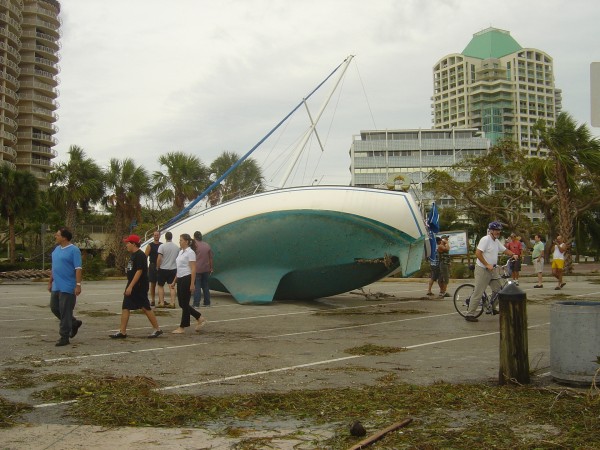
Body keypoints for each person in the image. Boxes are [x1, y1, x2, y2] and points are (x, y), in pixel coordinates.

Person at [110, 235, 163, 339]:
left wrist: (130, 286)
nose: (126, 245)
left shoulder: (140, 255)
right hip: (132, 284)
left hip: (139, 286)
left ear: (134, 244)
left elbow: (139, 271)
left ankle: (157, 329)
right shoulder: (132, 255)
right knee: (125, 306)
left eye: (128, 243)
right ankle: (123, 331)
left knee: (145, 307)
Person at [465, 221, 517, 322]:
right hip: (482, 269)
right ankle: (470, 314)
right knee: (478, 292)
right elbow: (478, 253)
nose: (498, 232)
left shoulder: (496, 241)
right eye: (496, 230)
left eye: (499, 230)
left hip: (493, 270)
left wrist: (513, 254)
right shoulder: (485, 239)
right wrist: (486, 264)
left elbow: (504, 250)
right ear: (491, 231)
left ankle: (491, 307)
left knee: (500, 289)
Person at [48, 227, 83, 347]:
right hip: (56, 285)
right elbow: (54, 267)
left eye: (57, 235)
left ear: (64, 237)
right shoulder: (56, 249)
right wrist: (50, 281)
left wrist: (78, 285)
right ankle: (73, 322)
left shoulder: (74, 250)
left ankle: (64, 336)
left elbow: (78, 269)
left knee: (65, 311)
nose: (55, 236)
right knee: (54, 307)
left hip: (68, 286)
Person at [171, 233, 206, 334]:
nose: (179, 242)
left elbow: (193, 268)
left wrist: (192, 283)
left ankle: (182, 326)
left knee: (185, 303)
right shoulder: (181, 252)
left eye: (181, 240)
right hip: (181, 278)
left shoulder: (190, 253)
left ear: (186, 241)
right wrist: (174, 281)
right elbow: (179, 268)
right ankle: (199, 317)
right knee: (182, 303)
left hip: (187, 277)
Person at [156, 231, 178, 308]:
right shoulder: (176, 247)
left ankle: (161, 302)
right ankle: (172, 303)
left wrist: (157, 266)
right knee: (171, 286)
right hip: (173, 268)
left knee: (160, 285)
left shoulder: (162, 246)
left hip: (163, 268)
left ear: (165, 237)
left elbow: (159, 258)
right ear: (172, 237)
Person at [193, 231, 214, 307]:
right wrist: (211, 268)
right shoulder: (207, 245)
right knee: (205, 286)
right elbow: (211, 258)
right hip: (206, 269)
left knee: (197, 286)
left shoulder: (194, 245)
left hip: (197, 269)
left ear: (194, 237)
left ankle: (196, 303)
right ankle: (207, 302)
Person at [145, 231, 162, 306]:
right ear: (153, 236)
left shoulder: (162, 245)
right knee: (153, 284)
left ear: (159, 236)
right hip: (152, 266)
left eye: (157, 235)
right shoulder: (150, 245)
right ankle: (152, 300)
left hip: (161, 266)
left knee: (160, 284)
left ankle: (160, 300)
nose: (156, 236)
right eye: (155, 235)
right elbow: (145, 256)